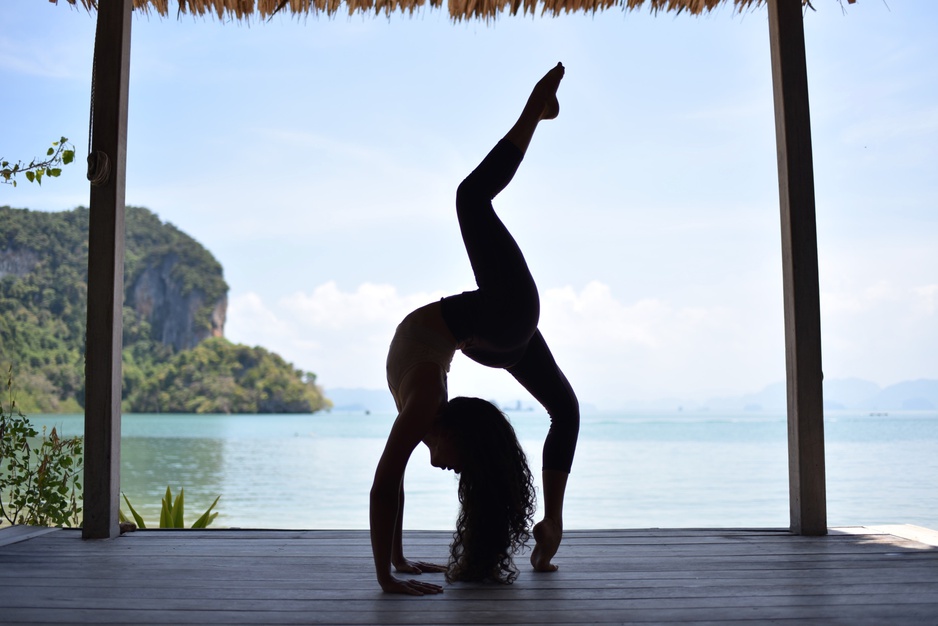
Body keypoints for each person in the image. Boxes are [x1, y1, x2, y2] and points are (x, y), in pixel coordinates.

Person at [370, 62, 579, 596]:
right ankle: (551, 526)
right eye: (464, 468)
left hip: (498, 325)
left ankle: (535, 109)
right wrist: (394, 562)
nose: (453, 471)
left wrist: (388, 575)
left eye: (460, 467)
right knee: (566, 409)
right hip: (495, 332)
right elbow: (391, 481)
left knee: (470, 198)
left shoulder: (425, 405)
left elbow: (385, 482)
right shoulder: (426, 406)